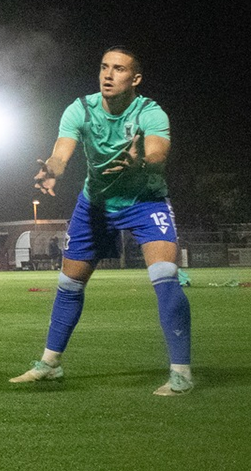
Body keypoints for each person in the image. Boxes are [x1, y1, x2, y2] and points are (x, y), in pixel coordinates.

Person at [12, 46, 195, 396]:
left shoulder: (151, 112)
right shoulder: (80, 109)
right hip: (95, 204)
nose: (108, 75)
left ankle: (181, 373)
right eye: (104, 67)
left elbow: (158, 152)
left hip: (146, 202)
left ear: (135, 78)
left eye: (119, 69)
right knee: (69, 284)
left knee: (165, 276)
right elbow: (61, 151)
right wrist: (51, 171)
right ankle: (50, 364)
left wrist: (141, 158)